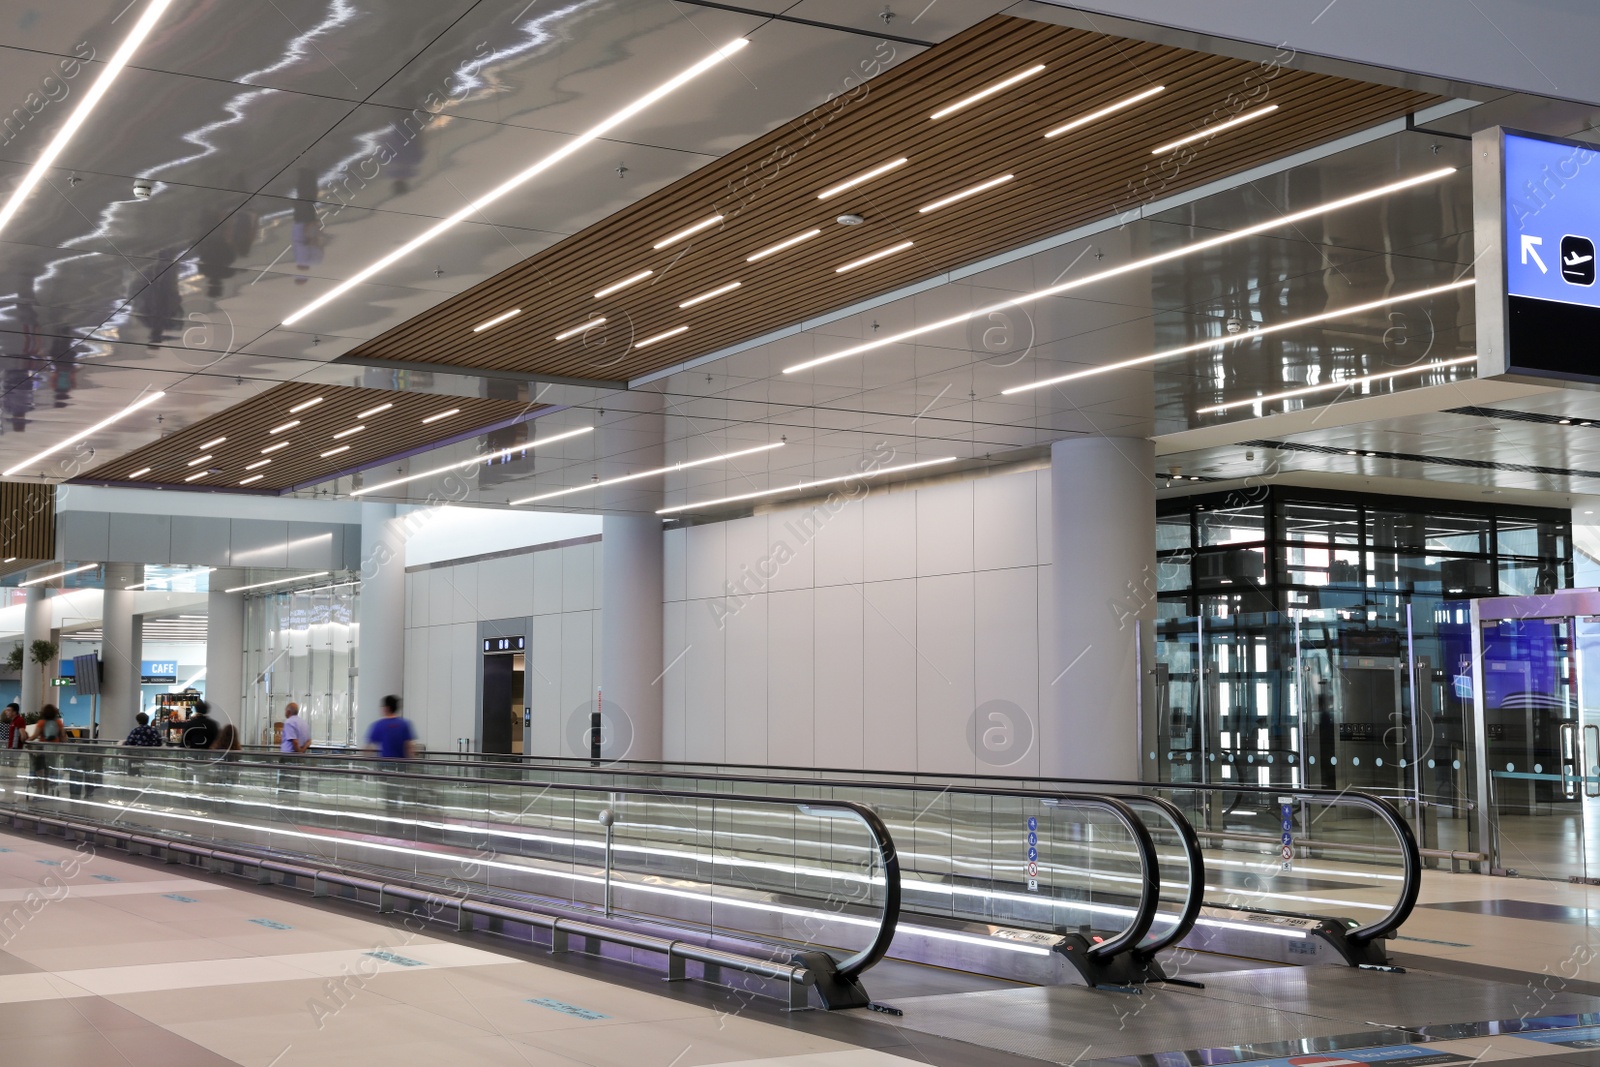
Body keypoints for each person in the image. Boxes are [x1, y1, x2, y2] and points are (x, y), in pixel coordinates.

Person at [364, 695, 415, 760]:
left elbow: (369, 747)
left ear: (386, 708)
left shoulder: (379, 725)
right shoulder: (404, 724)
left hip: (384, 763)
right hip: (402, 764)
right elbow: (409, 747)